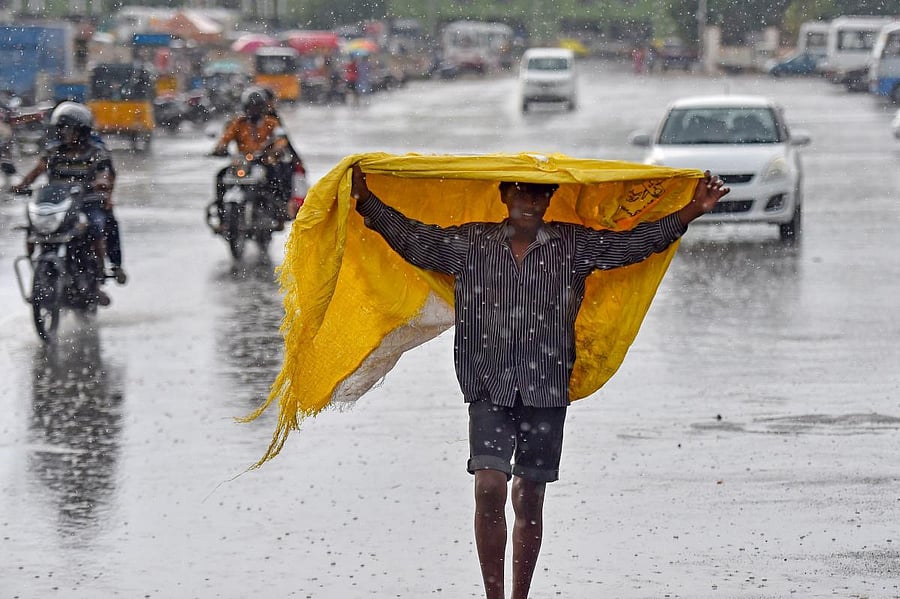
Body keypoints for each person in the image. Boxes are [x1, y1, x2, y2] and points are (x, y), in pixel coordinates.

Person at [349, 164, 729, 599]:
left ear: (548, 200)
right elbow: (416, 240)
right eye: (520, 193)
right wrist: (367, 202)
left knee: (529, 496)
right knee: (489, 485)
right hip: (489, 386)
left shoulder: (572, 246)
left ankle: (519, 596)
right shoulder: (471, 244)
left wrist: (689, 212)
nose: (528, 202)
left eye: (538, 195)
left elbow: (631, 246)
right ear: (504, 195)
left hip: (546, 388)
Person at [12, 101, 126, 305]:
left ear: (82, 131)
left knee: (97, 228)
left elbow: (105, 174)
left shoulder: (96, 152)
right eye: (61, 129)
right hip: (57, 206)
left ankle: (98, 278)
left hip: (86, 204)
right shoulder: (53, 152)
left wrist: (102, 184)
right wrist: (20, 185)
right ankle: (39, 272)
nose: (64, 133)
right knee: (33, 230)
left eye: (69, 129)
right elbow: (36, 171)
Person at [210, 87, 285, 231]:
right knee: (220, 177)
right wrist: (219, 148)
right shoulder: (238, 123)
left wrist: (277, 149)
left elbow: (280, 138)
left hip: (263, 161)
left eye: (257, 107)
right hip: (242, 162)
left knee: (276, 177)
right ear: (245, 108)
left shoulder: (271, 122)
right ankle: (221, 217)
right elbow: (225, 138)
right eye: (251, 107)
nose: (253, 111)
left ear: (262, 108)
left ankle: (279, 214)